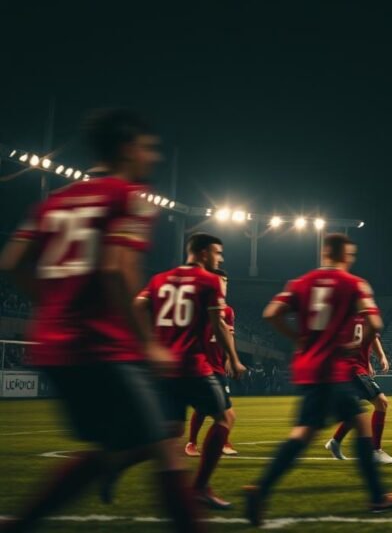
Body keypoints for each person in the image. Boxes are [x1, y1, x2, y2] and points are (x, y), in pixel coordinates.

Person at [0, 108, 204, 532]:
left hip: (55, 349)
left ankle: (21, 523)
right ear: (128, 147)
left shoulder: (54, 201)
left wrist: (53, 305)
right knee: (165, 447)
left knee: (116, 447)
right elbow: (116, 269)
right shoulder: (125, 196)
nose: (154, 157)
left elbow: (13, 261)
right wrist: (146, 342)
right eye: (149, 148)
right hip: (102, 348)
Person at [244, 233, 392, 525]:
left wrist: (299, 339)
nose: (351, 259)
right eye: (350, 254)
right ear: (342, 254)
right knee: (359, 423)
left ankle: (260, 490)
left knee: (303, 434)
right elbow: (375, 323)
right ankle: (377, 497)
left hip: (307, 367)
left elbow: (271, 313)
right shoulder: (353, 284)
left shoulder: (301, 282)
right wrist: (354, 346)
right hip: (334, 368)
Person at [135, 233, 246, 510]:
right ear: (204, 252)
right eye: (217, 252)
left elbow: (137, 306)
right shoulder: (208, 281)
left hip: (164, 368)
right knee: (225, 418)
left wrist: (148, 343)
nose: (219, 258)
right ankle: (200, 488)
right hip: (192, 364)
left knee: (170, 433)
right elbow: (218, 326)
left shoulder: (159, 279)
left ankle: (112, 463)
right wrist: (234, 358)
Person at [323, 320, 392, 464]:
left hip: (357, 367)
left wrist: (373, 359)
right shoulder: (352, 313)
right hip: (353, 368)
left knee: (354, 412)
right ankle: (375, 451)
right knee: (381, 402)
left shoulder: (359, 313)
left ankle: (335, 442)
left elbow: (369, 337)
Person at [186, 269, 239, 458]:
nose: (224, 284)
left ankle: (215, 443)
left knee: (214, 410)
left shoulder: (228, 310)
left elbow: (228, 336)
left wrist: (229, 360)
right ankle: (196, 443)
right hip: (202, 363)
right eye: (220, 280)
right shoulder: (200, 306)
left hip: (218, 364)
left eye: (226, 281)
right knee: (217, 411)